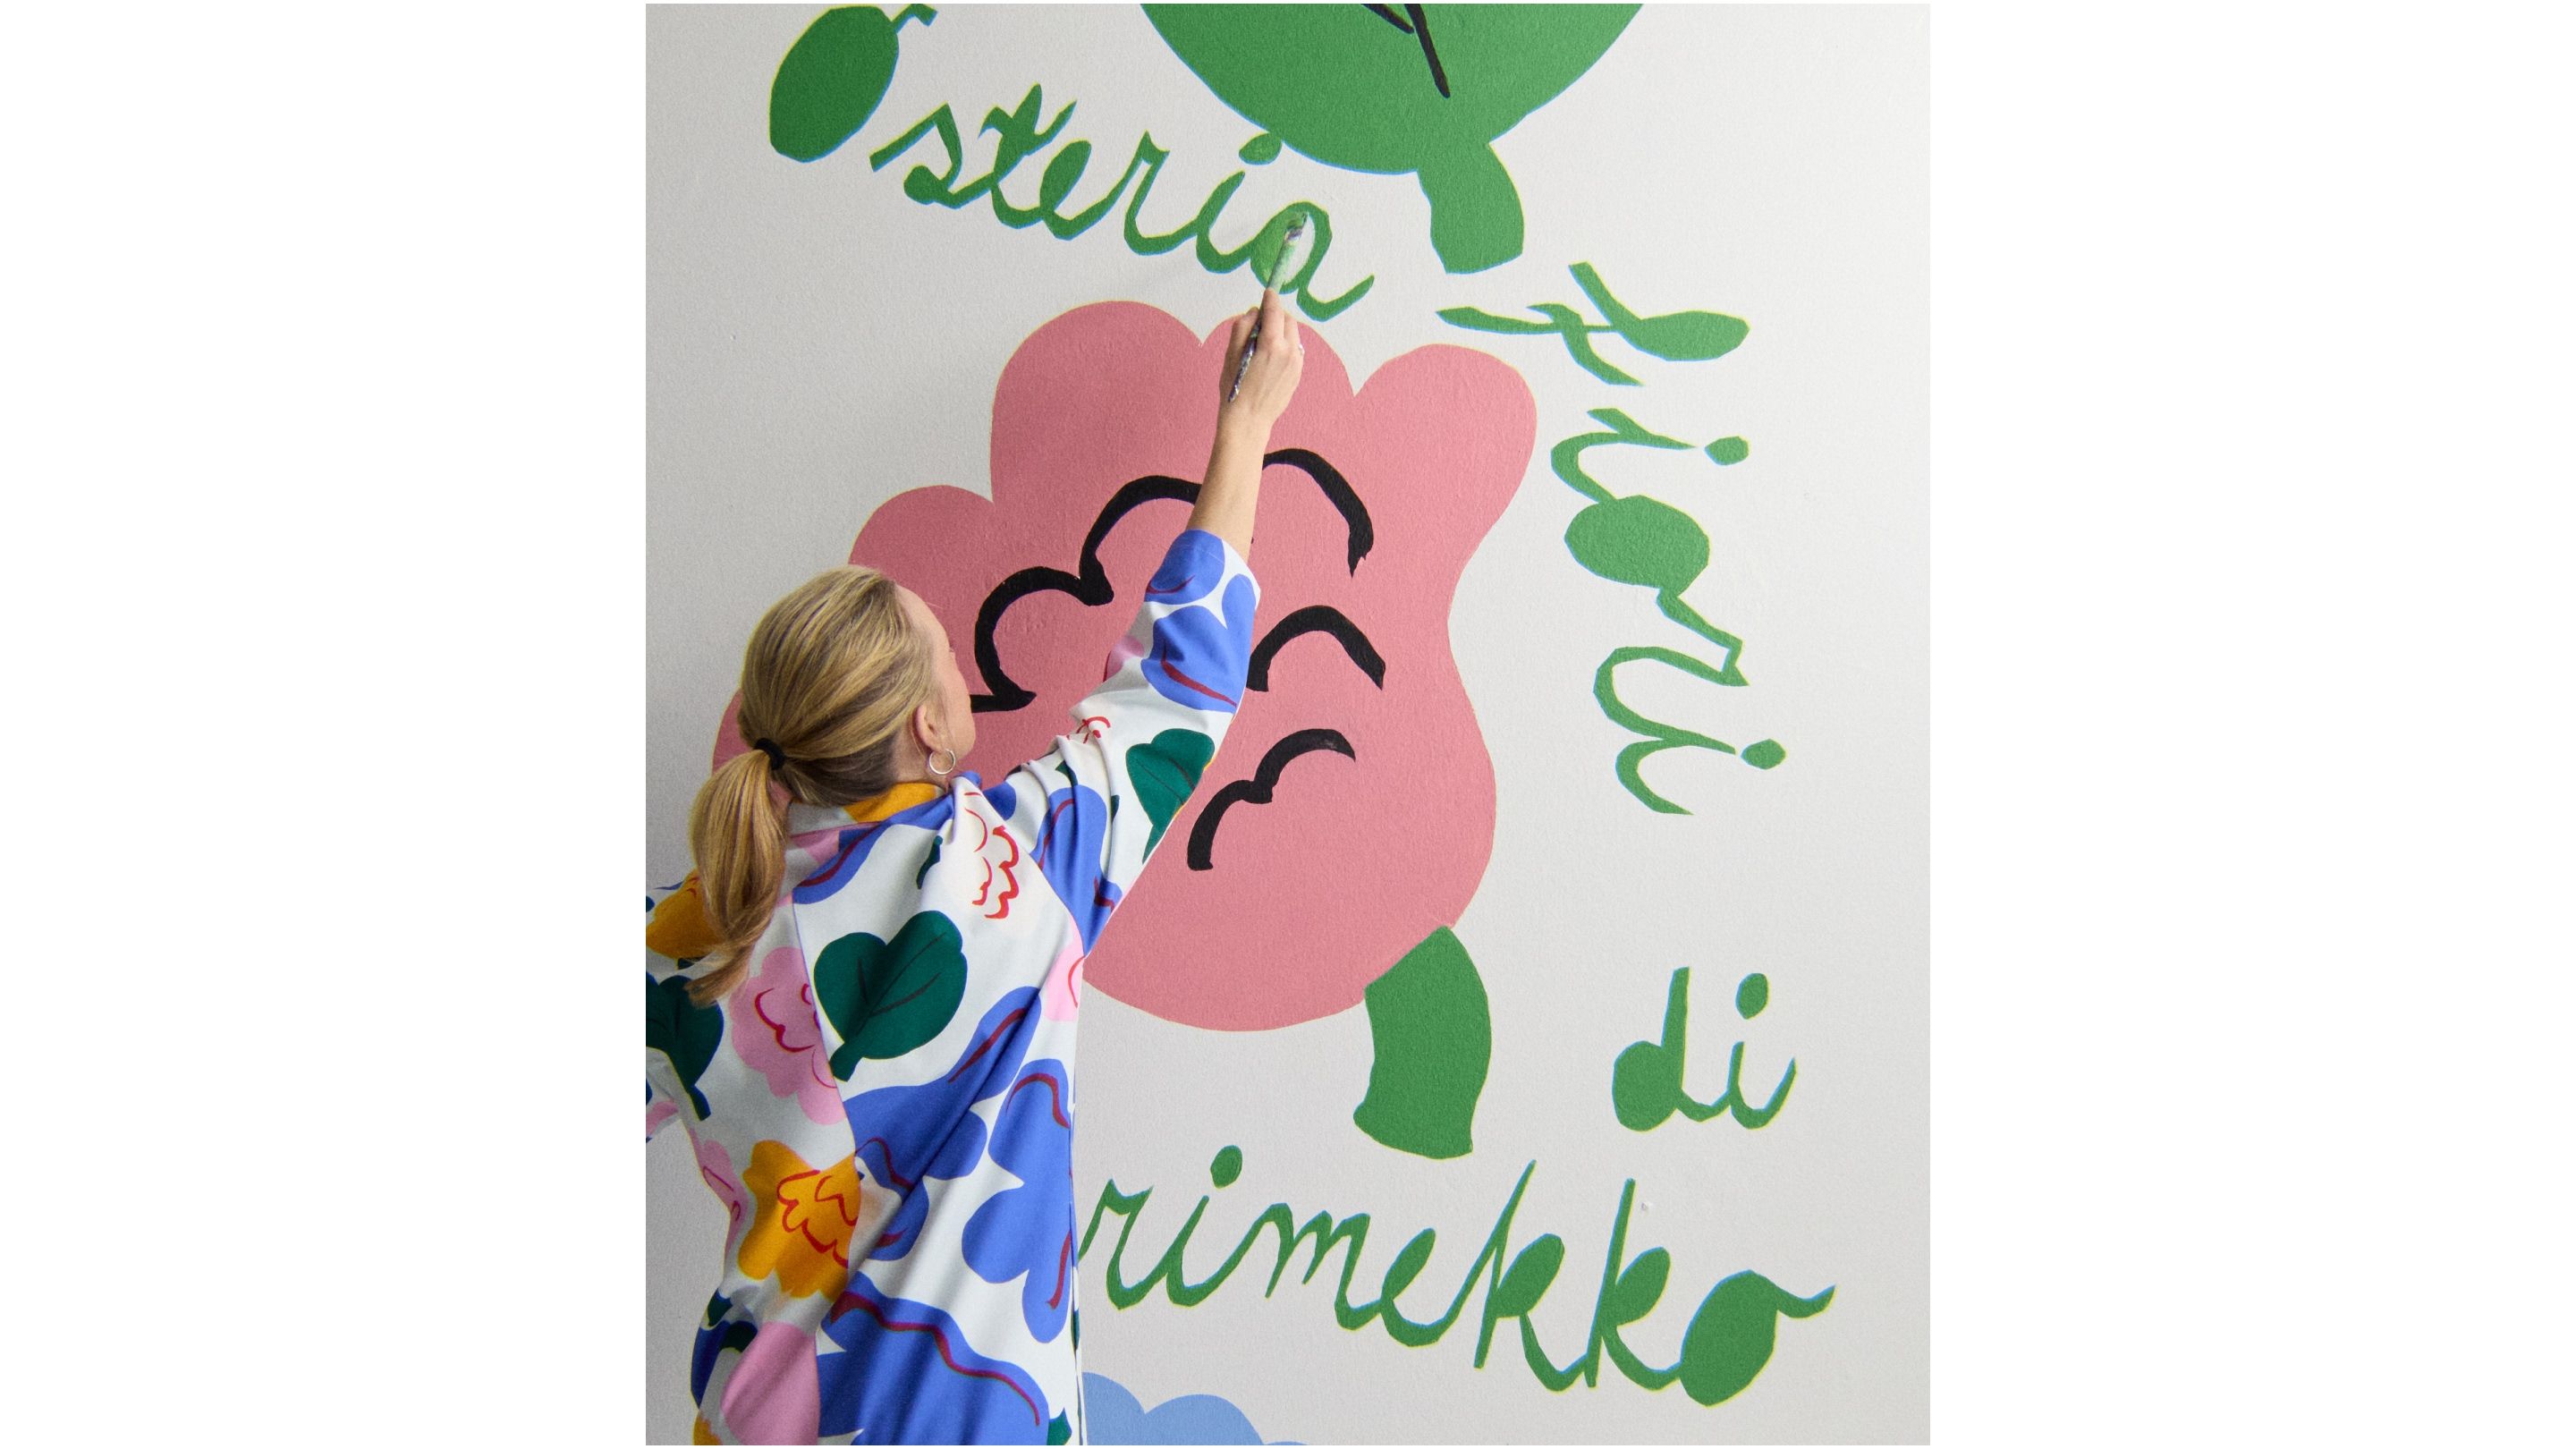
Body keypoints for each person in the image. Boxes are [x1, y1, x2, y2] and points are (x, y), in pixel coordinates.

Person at [647, 291, 1304, 1445]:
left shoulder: (682, 942)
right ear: (927, 734)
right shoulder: (1020, 871)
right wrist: (1243, 430)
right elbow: (1183, 682)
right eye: (949, 660)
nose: (965, 678)